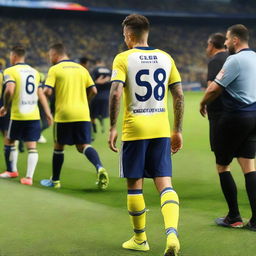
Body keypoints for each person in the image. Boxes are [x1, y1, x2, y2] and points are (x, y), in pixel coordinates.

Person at [108, 14, 184, 256]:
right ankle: (172, 234)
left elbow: (116, 94)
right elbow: (179, 96)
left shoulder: (123, 58)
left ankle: (140, 239)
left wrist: (111, 127)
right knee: (165, 184)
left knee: (135, 186)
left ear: (129, 35)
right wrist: (178, 130)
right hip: (161, 129)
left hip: (135, 129)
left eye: (124, 35)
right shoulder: (166, 57)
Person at [200, 24, 256, 231]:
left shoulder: (235, 59)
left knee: (223, 165)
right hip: (253, 116)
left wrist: (202, 102)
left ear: (234, 40)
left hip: (235, 117)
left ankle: (233, 217)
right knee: (249, 166)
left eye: (226, 38)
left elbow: (214, 88)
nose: (224, 42)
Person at [40, 43, 109, 190]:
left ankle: (56, 181)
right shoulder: (82, 69)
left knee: (59, 146)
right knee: (83, 145)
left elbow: (47, 91)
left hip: (64, 114)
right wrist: (85, 101)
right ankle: (99, 167)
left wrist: (50, 101)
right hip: (82, 113)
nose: (50, 58)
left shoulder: (55, 69)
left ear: (55, 55)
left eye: (50, 56)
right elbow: (94, 90)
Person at [0, 45, 53, 185]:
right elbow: (40, 94)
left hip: (18, 115)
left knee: (10, 142)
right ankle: (28, 178)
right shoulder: (34, 72)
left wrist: (5, 106)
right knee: (32, 147)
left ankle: (12, 170)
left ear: (14, 56)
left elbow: (9, 90)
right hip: (33, 115)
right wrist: (48, 113)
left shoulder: (10, 71)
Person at [206, 33, 228, 152]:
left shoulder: (215, 61)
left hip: (218, 111)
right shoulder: (232, 57)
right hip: (234, 109)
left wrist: (204, 102)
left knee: (221, 155)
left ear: (211, 45)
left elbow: (212, 87)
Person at [90, 58, 111, 134]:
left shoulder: (95, 70)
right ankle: (106, 127)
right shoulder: (109, 71)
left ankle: (94, 128)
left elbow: (91, 83)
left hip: (96, 96)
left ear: (96, 63)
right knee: (105, 113)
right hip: (107, 96)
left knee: (92, 114)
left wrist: (99, 82)